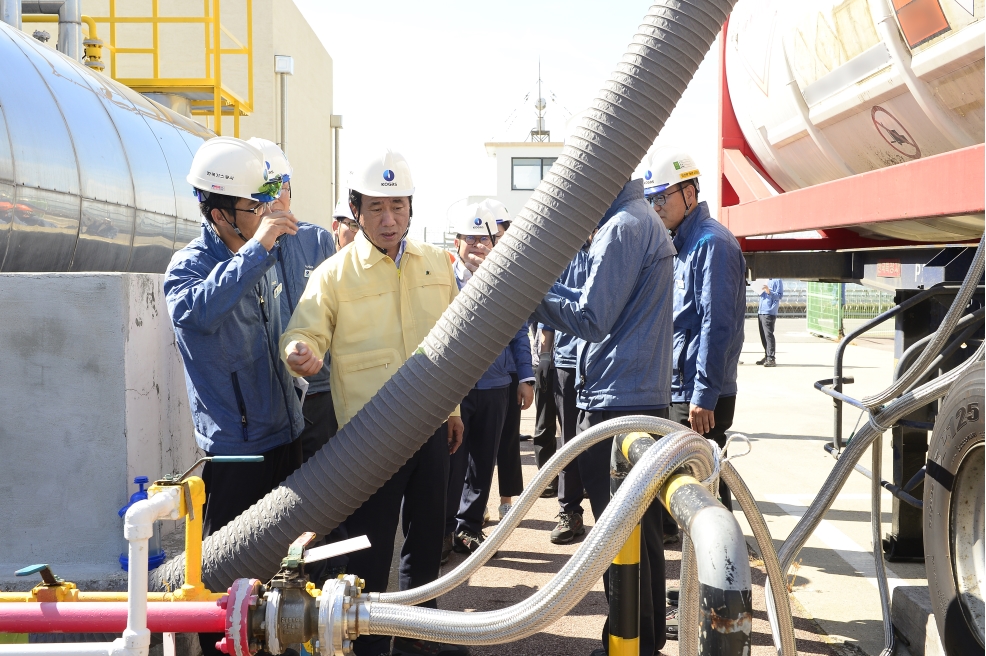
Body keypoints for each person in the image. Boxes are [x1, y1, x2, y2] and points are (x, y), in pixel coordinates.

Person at [279, 149, 466, 656]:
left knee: (427, 542)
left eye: (398, 206)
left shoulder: (436, 264)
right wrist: (301, 352)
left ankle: (419, 642)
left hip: (430, 426)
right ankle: (369, 646)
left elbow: (454, 343)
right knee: (371, 551)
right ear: (356, 210)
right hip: (369, 437)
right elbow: (302, 332)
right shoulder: (335, 274)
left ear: (411, 208)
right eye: (377, 208)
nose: (389, 220)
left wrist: (453, 410)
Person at [163, 136, 303, 656]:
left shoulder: (262, 256)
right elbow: (198, 313)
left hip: (285, 434)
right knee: (226, 574)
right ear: (219, 213)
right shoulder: (188, 267)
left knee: (283, 569)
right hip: (238, 452)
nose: (265, 214)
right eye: (253, 206)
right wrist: (256, 250)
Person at [534, 177, 676, 656]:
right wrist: (541, 288)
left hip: (618, 399)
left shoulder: (620, 227)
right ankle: (643, 638)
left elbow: (591, 318)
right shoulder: (640, 219)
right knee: (641, 530)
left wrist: (528, 297)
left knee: (617, 531)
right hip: (636, 393)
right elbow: (591, 295)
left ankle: (627, 642)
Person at [646, 149, 745, 522]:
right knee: (689, 489)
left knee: (704, 489)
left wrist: (703, 395)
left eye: (661, 198)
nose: (655, 207)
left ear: (689, 194)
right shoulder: (681, 244)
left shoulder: (711, 244)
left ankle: (723, 558)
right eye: (651, 200)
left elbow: (715, 325)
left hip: (699, 393)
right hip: (681, 386)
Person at [444, 204, 533, 560]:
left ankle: (468, 529)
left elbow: (519, 332)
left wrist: (525, 377)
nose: (479, 246)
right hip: (456, 390)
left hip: (496, 386)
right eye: (472, 239)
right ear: (457, 242)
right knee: (452, 464)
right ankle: (444, 531)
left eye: (485, 240)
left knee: (483, 463)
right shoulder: (443, 279)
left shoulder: (506, 282)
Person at [247, 138, 338, 461]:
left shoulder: (317, 240)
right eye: (265, 192)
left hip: (319, 392)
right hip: (268, 400)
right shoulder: (241, 253)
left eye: (281, 188)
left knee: (324, 483)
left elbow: (337, 313)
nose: (275, 200)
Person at [482, 199, 534, 519]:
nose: (492, 242)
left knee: (508, 440)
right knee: (477, 445)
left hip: (510, 371)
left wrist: (525, 377)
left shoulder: (514, 273)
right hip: (478, 376)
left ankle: (506, 501)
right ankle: (475, 506)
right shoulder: (464, 273)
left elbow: (520, 331)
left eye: (498, 235)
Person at [546, 236, 593, 545]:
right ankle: (570, 512)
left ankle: (620, 519)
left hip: (603, 360)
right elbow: (548, 302)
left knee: (607, 441)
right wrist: (544, 356)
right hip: (567, 360)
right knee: (570, 440)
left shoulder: (612, 246)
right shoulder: (563, 251)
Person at [531, 323, 558, 498]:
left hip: (573, 363)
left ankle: (579, 479)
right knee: (544, 424)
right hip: (543, 361)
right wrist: (544, 356)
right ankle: (547, 478)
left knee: (574, 427)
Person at [758, 279, 783, 367]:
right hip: (761, 310)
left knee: (768, 335)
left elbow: (779, 295)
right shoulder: (764, 279)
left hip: (769, 311)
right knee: (763, 335)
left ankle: (771, 358)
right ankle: (767, 356)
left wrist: (769, 292)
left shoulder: (777, 280)